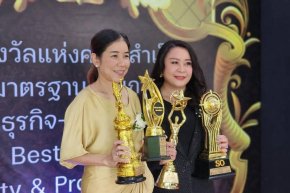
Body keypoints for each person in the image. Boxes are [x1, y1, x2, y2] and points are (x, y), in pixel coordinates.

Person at [59, 29, 155, 193]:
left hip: (140, 183)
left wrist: (158, 149)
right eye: (114, 55)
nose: (122, 63)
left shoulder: (132, 96)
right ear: (96, 59)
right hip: (103, 187)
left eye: (126, 55)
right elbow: (69, 155)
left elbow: (138, 139)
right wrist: (107, 159)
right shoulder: (83, 102)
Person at [148, 40, 229, 193]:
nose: (181, 69)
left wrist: (218, 147)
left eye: (187, 63)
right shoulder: (146, 104)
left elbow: (208, 157)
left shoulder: (203, 103)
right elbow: (134, 149)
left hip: (200, 188)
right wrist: (155, 153)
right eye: (174, 62)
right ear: (161, 67)